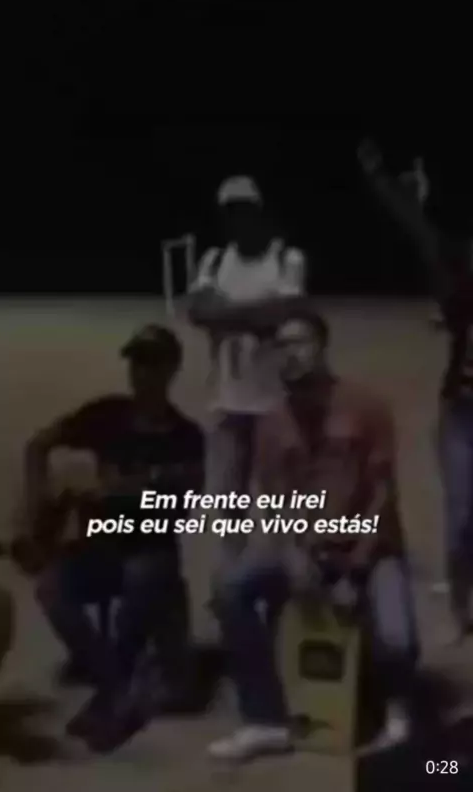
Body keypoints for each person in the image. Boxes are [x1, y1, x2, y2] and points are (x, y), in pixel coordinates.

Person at [208, 309, 419, 762]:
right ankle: (265, 719)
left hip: (370, 547)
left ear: (323, 347)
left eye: (300, 342)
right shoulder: (271, 421)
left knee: (398, 637)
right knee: (230, 588)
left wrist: (355, 570)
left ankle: (397, 713)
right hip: (308, 545)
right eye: (281, 345)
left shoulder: (366, 406)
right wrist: (292, 553)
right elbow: (275, 502)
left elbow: (383, 495)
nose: (291, 353)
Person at [12, 324, 204, 749]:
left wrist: (120, 496)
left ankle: (111, 693)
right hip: (100, 546)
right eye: (136, 362)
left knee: (141, 578)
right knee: (50, 589)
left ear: (172, 368)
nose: (142, 372)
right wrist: (38, 504)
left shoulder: (187, 438)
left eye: (152, 363)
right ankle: (116, 687)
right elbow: (37, 445)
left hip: (151, 548)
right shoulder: (107, 413)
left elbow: (179, 513)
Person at [358, 141, 472, 638]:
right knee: (461, 517)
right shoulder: (461, 265)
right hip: (463, 413)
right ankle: (462, 608)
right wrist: (382, 181)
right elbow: (419, 230)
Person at [187, 174, 307, 519]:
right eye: (230, 211)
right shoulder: (213, 260)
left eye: (244, 210)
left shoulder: (286, 258)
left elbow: (282, 314)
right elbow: (197, 311)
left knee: (280, 509)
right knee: (229, 509)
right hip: (227, 400)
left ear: (259, 211)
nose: (237, 218)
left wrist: (224, 313)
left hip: (277, 403)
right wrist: (256, 315)